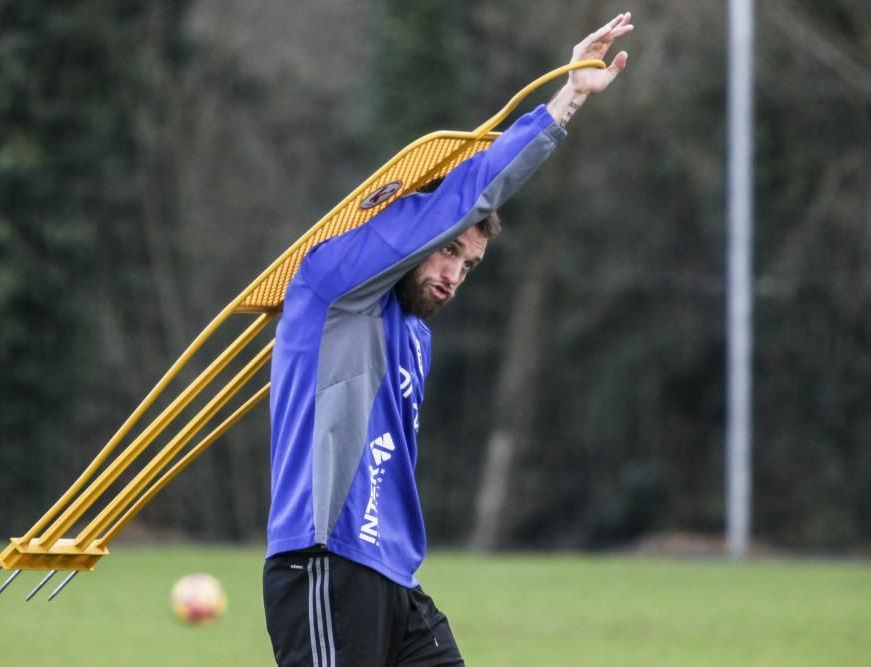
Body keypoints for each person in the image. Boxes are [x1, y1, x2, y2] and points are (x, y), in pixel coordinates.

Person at [263, 13, 634, 666]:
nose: (452, 276)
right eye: (447, 252)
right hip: (323, 561)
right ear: (417, 231)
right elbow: (465, 193)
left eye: (468, 266)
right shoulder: (334, 281)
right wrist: (568, 97)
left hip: (393, 575)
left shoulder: (414, 338)